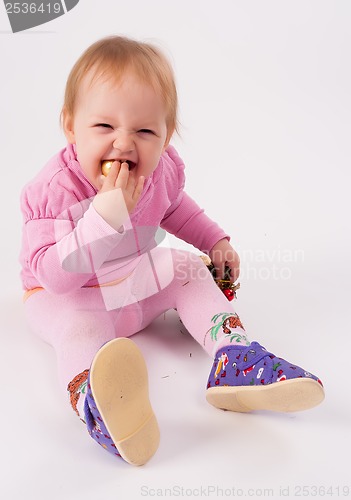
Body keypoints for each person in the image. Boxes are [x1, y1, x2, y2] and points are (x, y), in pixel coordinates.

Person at [19, 35, 324, 467]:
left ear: (165, 137)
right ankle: (97, 401)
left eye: (144, 131)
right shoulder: (55, 190)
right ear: (70, 126)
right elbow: (52, 275)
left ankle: (233, 355)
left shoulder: (160, 172)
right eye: (104, 127)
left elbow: (175, 208)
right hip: (71, 298)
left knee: (184, 268)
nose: (124, 144)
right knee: (77, 330)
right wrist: (102, 220)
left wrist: (214, 241)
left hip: (130, 284)